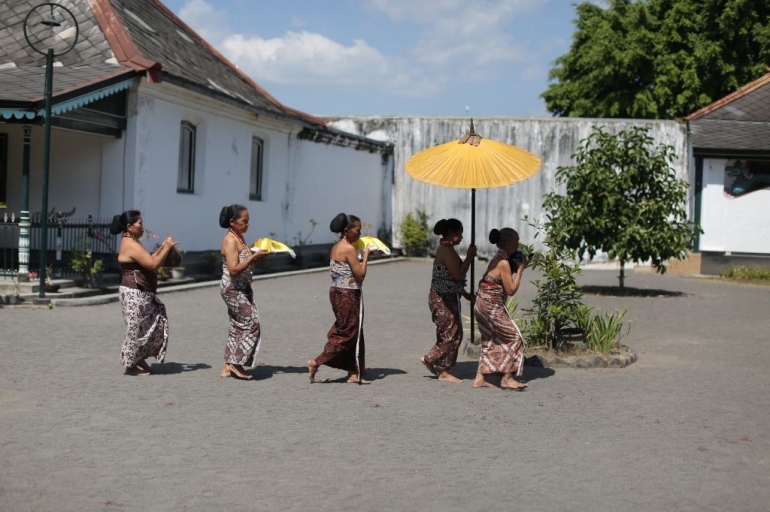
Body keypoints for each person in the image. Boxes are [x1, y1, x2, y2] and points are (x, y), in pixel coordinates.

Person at [308, 213, 373, 384]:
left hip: (337, 292)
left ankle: (353, 372)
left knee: (353, 329)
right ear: (346, 231)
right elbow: (360, 276)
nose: (360, 234)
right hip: (347, 294)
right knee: (348, 332)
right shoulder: (348, 248)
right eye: (358, 230)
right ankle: (317, 362)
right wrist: (366, 256)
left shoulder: (337, 246)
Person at [111, 210, 178, 376]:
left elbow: (151, 258)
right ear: (129, 226)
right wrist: (167, 246)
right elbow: (153, 264)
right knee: (135, 329)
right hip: (134, 293)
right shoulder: (130, 244)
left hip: (141, 293)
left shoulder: (134, 241)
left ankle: (138, 357)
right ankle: (131, 365)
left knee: (151, 324)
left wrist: (164, 246)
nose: (143, 226)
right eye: (139, 223)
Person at [420, 218, 476, 383]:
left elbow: (451, 280)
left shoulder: (448, 249)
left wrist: (465, 294)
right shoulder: (446, 251)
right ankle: (434, 361)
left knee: (450, 332)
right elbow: (458, 274)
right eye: (460, 234)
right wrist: (470, 258)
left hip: (446, 297)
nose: (462, 237)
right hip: (442, 299)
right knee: (452, 334)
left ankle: (442, 366)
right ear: (451, 233)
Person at [219, 204, 270, 380]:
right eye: (244, 221)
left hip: (243, 288)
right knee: (251, 322)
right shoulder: (230, 240)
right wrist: (253, 258)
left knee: (237, 326)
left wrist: (256, 253)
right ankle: (236, 363)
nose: (247, 224)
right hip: (232, 288)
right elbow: (233, 269)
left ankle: (227, 366)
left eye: (248, 221)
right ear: (232, 222)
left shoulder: (238, 237)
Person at [473, 227, 528, 390]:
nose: (518, 246)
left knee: (490, 339)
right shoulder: (503, 262)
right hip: (490, 306)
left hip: (482, 304)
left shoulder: (499, 258)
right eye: (516, 242)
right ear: (508, 243)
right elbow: (510, 290)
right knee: (515, 337)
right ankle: (507, 378)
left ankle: (479, 378)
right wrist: (520, 271)